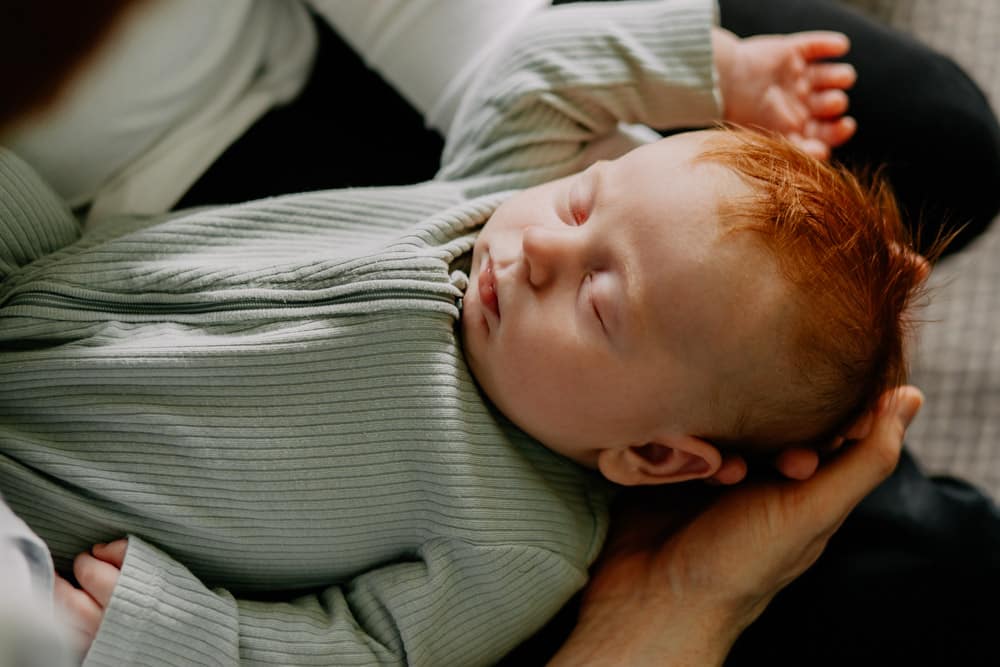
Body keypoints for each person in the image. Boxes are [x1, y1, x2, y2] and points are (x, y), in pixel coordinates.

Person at [0, 0, 926, 663]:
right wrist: (710, 68)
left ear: (652, 454)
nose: (538, 254)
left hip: (44, 493)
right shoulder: (484, 202)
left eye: (600, 304)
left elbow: (372, 645)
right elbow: (537, 77)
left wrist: (169, 632)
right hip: (38, 261)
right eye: (578, 201)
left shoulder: (520, 543)